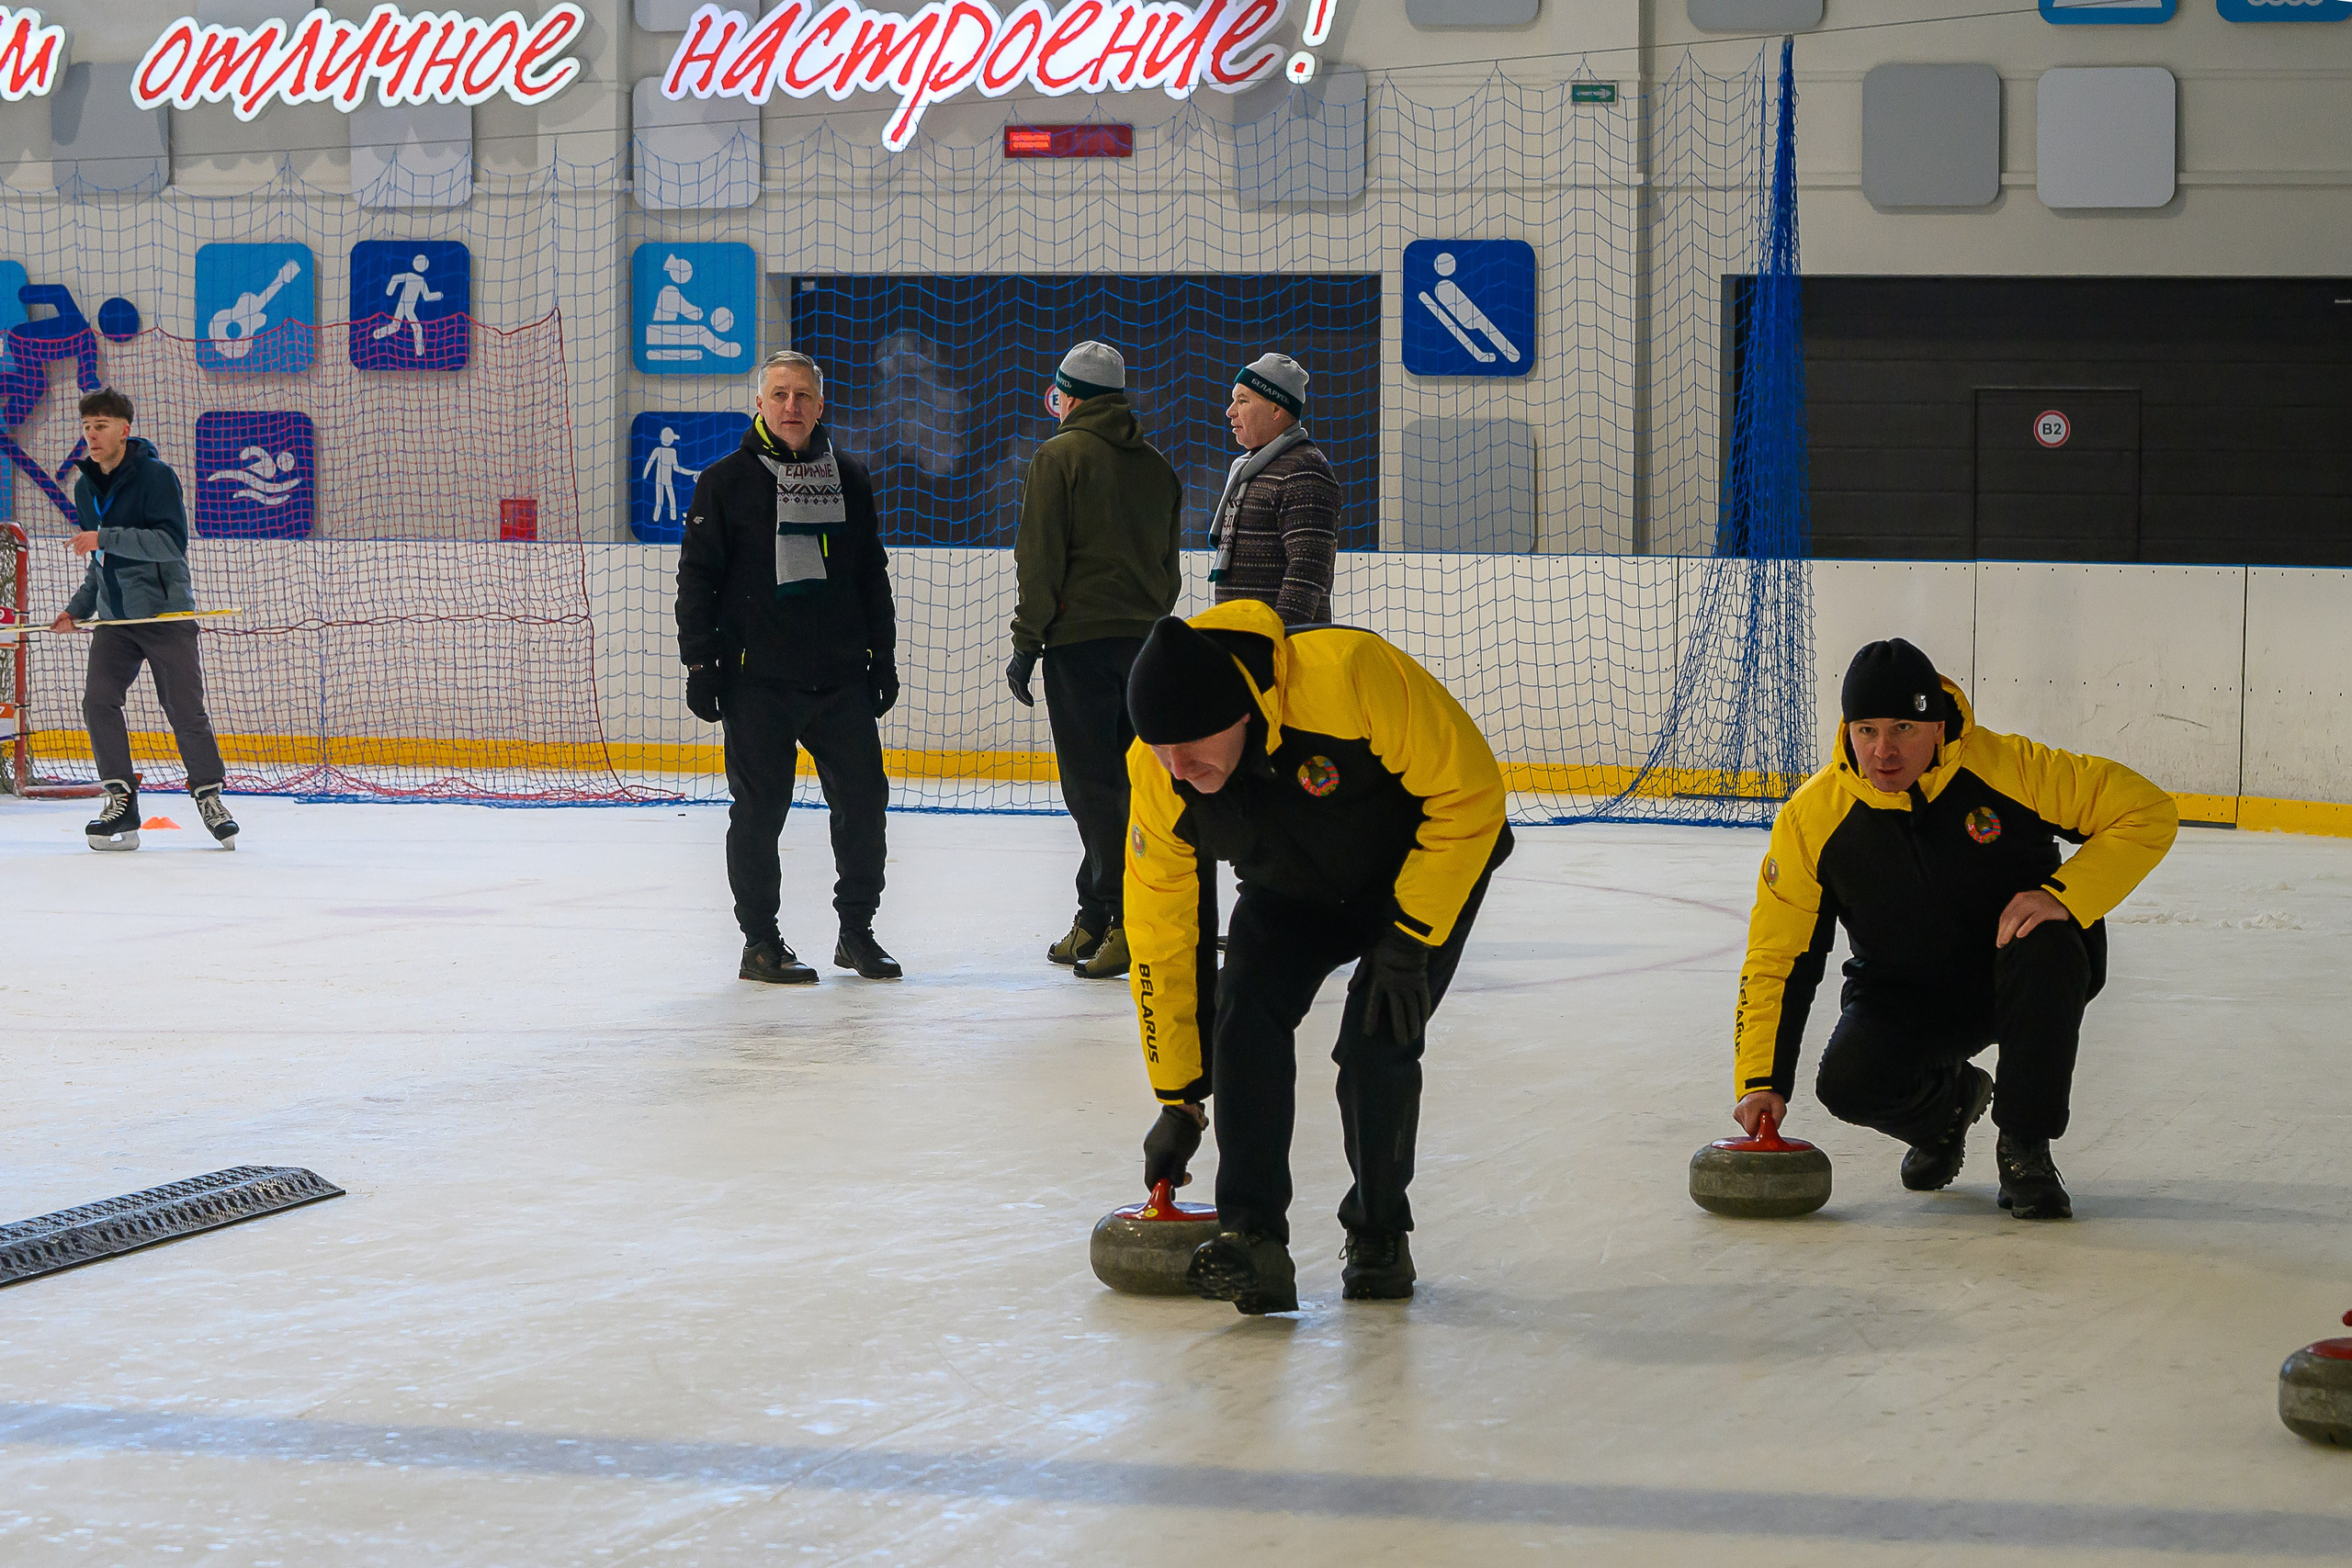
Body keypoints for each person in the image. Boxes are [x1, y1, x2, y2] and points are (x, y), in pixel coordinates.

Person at [1120, 601, 1513, 1313]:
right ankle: (1254, 1240)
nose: (1177, 769)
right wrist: (1179, 1097)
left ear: (1242, 712)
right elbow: (1162, 930)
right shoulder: (1161, 772)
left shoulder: (1348, 678)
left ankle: (1379, 1233)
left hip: (1417, 877)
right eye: (1161, 750)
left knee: (1375, 1037)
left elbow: (1471, 793)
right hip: (1291, 890)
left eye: (1192, 746)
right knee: (1242, 1004)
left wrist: (1408, 938)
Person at [1732, 638, 2178, 1221]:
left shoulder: (2010, 768)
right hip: (1907, 994)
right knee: (1847, 1083)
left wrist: (2062, 896)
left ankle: (2025, 1147)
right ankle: (1948, 1112)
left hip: (2016, 974)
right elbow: (1777, 956)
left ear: (1937, 726)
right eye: (1865, 730)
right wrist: (1760, 1078)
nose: (1883, 751)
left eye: (1903, 729)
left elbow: (2146, 810)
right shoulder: (1812, 820)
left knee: (2045, 946)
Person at [675, 350, 901, 985]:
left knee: (864, 803)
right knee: (758, 812)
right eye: (779, 394)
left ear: (821, 404)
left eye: (803, 395)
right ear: (760, 404)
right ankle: (760, 942)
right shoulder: (724, 482)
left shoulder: (850, 478)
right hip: (758, 682)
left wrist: (880, 657)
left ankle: (856, 931)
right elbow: (697, 579)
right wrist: (702, 663)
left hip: (839, 680)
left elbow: (869, 576)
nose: (792, 406)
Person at [1005, 341, 1183, 982]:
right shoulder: (1158, 467)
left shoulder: (1058, 457)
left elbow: (1040, 559)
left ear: (1069, 396)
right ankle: (1094, 909)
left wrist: (1029, 641)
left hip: (1077, 645)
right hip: (1143, 646)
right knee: (1127, 784)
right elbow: (1170, 572)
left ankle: (1121, 918)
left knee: (1093, 789)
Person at [51, 388, 238, 852]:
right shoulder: (84, 486)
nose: (92, 435)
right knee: (97, 701)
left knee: (183, 708)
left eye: (101, 426)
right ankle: (120, 798)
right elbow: (101, 564)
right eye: (87, 426)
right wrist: (78, 608)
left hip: (164, 615)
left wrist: (105, 536)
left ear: (124, 430)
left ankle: (210, 796)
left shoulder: (156, 476)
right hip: (115, 622)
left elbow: (170, 543)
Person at [1207, 353, 1339, 626]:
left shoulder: (1304, 470)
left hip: (1279, 650)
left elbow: (1306, 573)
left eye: (1243, 401)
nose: (1230, 411)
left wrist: (1276, 641)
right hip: (1245, 640)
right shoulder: (1252, 468)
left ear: (1277, 410)